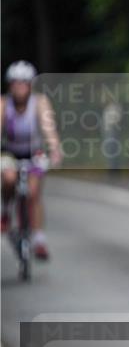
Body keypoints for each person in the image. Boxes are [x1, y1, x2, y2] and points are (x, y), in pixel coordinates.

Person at [0, 61, 62, 259]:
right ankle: (6, 210)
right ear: (9, 85)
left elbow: (48, 127)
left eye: (23, 83)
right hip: (10, 152)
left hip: (34, 152)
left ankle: (38, 239)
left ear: (30, 85)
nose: (19, 87)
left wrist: (54, 148)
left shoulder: (40, 102)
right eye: (15, 83)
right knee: (9, 178)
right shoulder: (3, 104)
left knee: (33, 193)